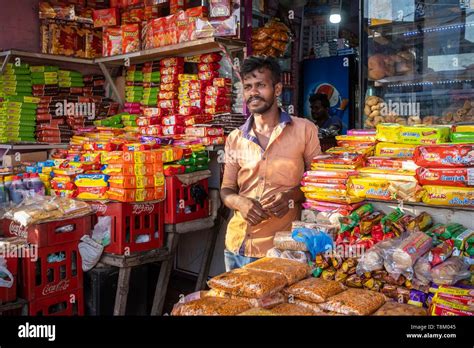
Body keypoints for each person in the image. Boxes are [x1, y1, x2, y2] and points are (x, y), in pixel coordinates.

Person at [220, 56, 321, 271]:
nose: (253, 93)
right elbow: (226, 189)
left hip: (282, 248)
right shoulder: (235, 138)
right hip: (237, 246)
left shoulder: (305, 130)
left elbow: (318, 184)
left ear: (276, 89)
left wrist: (290, 196)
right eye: (248, 87)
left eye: (260, 85)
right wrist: (239, 203)